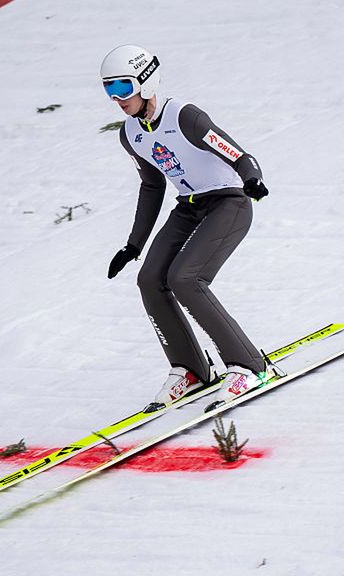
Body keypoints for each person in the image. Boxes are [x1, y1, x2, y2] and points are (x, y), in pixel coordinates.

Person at [100, 44, 273, 413]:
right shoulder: (131, 134)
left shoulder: (185, 117)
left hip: (229, 202)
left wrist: (253, 180)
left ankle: (250, 366)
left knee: (186, 278)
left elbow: (239, 155)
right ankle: (192, 369)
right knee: (150, 279)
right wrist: (133, 246)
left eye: (123, 88)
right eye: (109, 90)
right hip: (189, 206)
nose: (117, 99)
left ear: (146, 83)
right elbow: (152, 186)